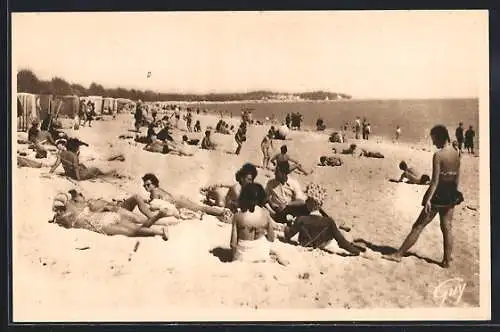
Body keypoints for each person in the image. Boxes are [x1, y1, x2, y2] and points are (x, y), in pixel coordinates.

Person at [383, 125, 463, 268]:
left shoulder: (438, 155)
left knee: (418, 226)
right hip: (451, 193)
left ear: (440, 137)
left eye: (434, 139)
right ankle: (446, 261)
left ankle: (398, 254)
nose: (433, 143)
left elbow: (435, 181)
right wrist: (454, 194)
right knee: (447, 227)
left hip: (438, 194)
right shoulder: (456, 154)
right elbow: (457, 178)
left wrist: (428, 199)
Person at [283, 183, 363, 255]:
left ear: (312, 203)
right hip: (325, 245)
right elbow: (342, 243)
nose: (306, 201)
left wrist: (289, 223)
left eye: (308, 199)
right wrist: (357, 252)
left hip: (305, 245)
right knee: (339, 234)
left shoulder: (301, 219)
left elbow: (288, 235)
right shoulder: (329, 221)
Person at [51, 193, 169, 240]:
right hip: (106, 216)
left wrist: (56, 218)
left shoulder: (67, 216)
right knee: (134, 228)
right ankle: (159, 225)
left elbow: (67, 224)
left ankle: (159, 230)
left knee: (132, 231)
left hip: (100, 224)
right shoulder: (80, 207)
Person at [121, 174, 229, 225]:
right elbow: (158, 201)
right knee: (201, 208)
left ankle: (223, 212)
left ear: (154, 184)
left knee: (201, 208)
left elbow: (155, 204)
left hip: (178, 202)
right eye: (145, 185)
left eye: (148, 185)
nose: (146, 187)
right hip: (178, 200)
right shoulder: (156, 191)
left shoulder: (154, 192)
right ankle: (221, 212)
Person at [230, 183, 275, 262]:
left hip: (243, 256)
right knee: (263, 239)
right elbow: (271, 238)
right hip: (262, 254)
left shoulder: (238, 216)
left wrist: (234, 257)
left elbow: (233, 243)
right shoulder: (265, 213)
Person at [48, 138, 117, 181]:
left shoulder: (61, 154)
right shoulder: (74, 156)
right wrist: (78, 179)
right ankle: (106, 175)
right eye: (78, 147)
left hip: (69, 174)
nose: (78, 149)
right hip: (78, 175)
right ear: (75, 148)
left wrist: (50, 172)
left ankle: (97, 174)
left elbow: (56, 165)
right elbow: (76, 168)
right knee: (95, 169)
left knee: (82, 165)